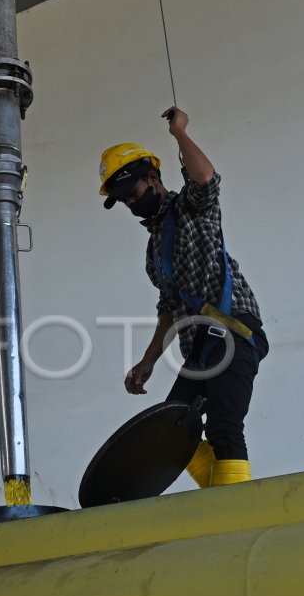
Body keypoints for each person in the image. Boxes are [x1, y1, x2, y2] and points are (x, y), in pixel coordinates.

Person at [99, 107, 269, 488]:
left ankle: (237, 513)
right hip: (202, 347)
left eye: (133, 192)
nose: (130, 203)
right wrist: (148, 361)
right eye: (124, 200)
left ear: (153, 177)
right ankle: (222, 499)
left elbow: (205, 177)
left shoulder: (192, 208)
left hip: (233, 330)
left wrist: (180, 134)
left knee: (225, 427)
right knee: (173, 432)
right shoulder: (153, 249)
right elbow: (169, 310)